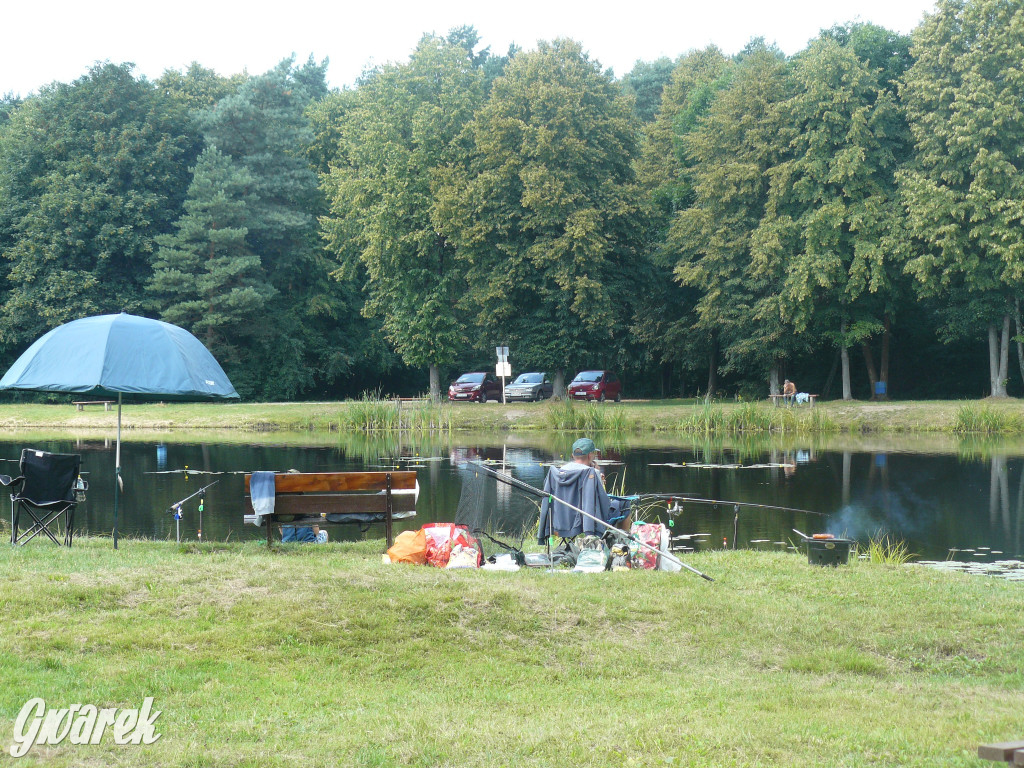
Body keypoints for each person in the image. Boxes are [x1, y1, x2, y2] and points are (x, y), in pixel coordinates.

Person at [538, 437, 613, 543]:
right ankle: (619, 547)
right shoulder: (592, 473)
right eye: (594, 454)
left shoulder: (559, 472)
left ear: (573, 455)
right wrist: (598, 477)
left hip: (559, 521)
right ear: (590, 455)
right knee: (624, 506)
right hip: (585, 522)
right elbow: (602, 501)